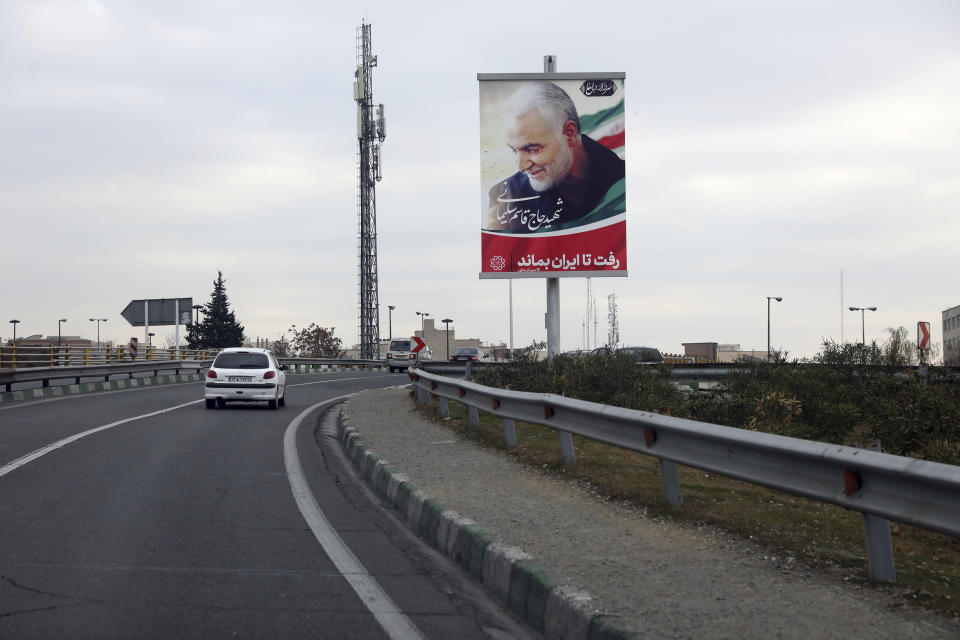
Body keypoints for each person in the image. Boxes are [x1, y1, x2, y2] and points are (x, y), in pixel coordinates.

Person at [485, 81, 625, 233]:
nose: (521, 166)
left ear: (569, 134)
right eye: (514, 150)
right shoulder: (505, 200)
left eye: (532, 149)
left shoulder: (624, 180)